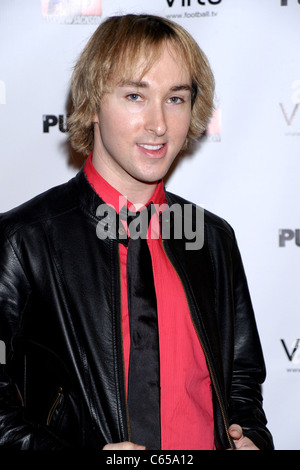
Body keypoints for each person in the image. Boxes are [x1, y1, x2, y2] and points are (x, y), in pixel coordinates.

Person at [0, 14, 273, 450]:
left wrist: (249, 434)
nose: (159, 124)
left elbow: (241, 377)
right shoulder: (23, 241)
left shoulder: (212, 238)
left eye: (176, 99)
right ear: (92, 103)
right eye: (134, 95)